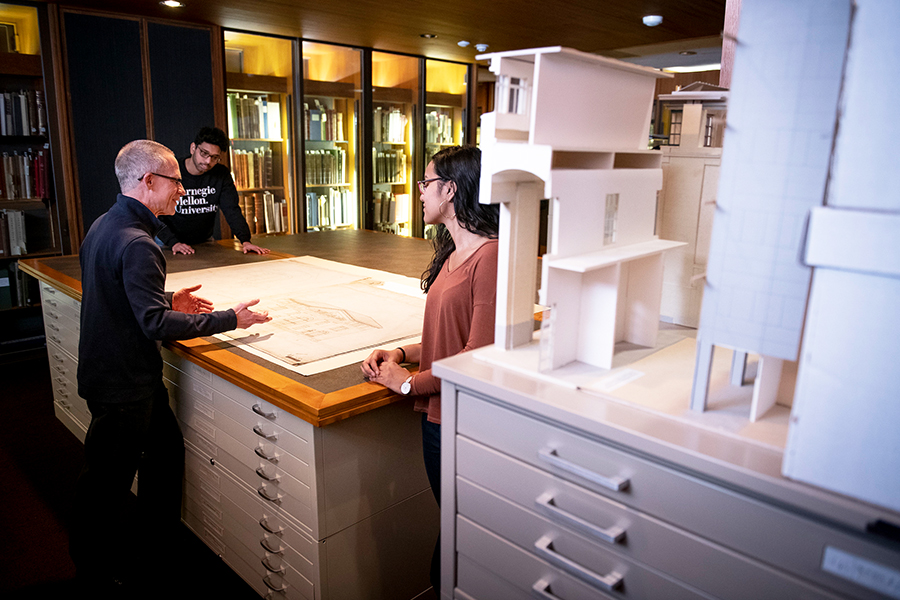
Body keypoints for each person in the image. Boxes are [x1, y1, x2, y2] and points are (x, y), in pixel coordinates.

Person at [72, 139, 272, 596]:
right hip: (126, 385)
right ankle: (94, 571)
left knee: (163, 453)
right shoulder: (140, 243)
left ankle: (153, 549)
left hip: (112, 373)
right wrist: (230, 319)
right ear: (148, 182)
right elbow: (153, 325)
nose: (183, 191)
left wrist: (164, 298)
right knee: (105, 482)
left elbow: (118, 295)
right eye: (175, 182)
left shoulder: (105, 225)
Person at [360, 145, 499, 593]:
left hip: (460, 423)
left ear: (451, 189)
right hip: (437, 417)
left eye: (425, 183)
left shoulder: (490, 257)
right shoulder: (453, 253)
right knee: (454, 527)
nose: (418, 192)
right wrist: (401, 353)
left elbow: (474, 357)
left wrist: (406, 386)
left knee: (459, 533)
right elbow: (446, 339)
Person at [157, 126, 269, 255]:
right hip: (167, 244)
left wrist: (245, 241)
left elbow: (231, 209)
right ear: (193, 148)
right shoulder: (171, 171)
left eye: (215, 157)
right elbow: (157, 214)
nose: (208, 161)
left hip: (204, 242)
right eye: (204, 153)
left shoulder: (221, 174)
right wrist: (173, 242)